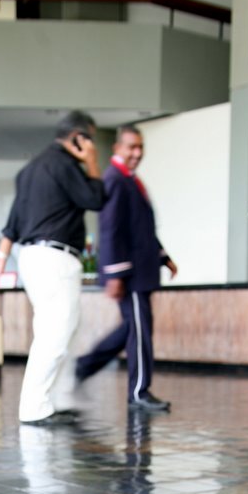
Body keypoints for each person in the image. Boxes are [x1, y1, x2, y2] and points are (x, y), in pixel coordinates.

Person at [0, 109, 105, 426]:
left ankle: (56, 400)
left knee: (62, 329)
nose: (93, 146)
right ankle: (34, 408)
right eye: (90, 140)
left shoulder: (30, 170)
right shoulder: (64, 165)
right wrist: (92, 162)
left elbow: (13, 222)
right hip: (55, 258)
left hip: (33, 258)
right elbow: (96, 199)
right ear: (79, 138)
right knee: (56, 333)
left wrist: (0, 257)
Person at [75, 124, 177, 413]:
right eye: (131, 147)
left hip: (140, 271)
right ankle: (138, 392)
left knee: (132, 330)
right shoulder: (115, 180)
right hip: (130, 276)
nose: (137, 153)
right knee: (140, 331)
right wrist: (117, 274)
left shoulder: (130, 180)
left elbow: (140, 230)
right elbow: (111, 230)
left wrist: (163, 256)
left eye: (140, 147)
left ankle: (80, 369)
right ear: (117, 148)